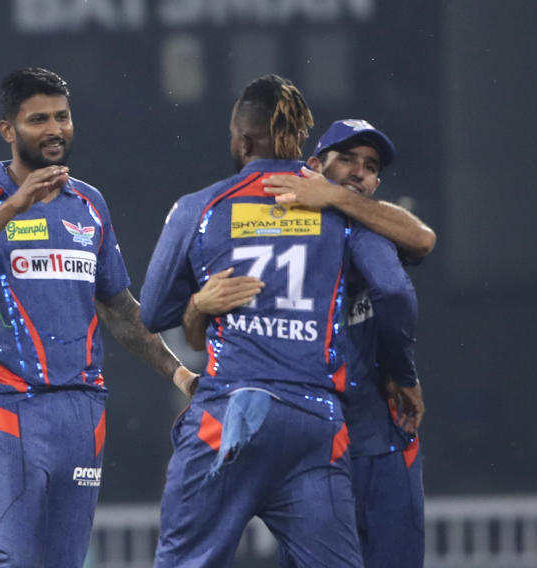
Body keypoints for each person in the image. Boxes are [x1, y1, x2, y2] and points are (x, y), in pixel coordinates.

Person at [140, 75, 419, 567]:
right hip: (315, 421)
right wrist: (400, 370)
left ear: (243, 140)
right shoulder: (344, 212)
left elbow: (152, 312)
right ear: (301, 144)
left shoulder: (201, 206)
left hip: (230, 412)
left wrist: (199, 304)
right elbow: (395, 285)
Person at [0, 67, 196, 567]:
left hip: (82, 409)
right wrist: (13, 206)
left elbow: (119, 309)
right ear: (8, 130)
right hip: (8, 403)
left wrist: (179, 372)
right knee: (19, 560)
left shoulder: (89, 204)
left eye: (62, 117)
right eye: (38, 120)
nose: (54, 129)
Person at [253, 119, 430, 567]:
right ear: (313, 166)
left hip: (332, 437)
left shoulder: (371, 229)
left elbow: (424, 239)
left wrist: (332, 195)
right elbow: (394, 292)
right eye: (347, 159)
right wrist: (403, 372)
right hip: (347, 437)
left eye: (370, 167)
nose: (359, 172)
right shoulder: (286, 228)